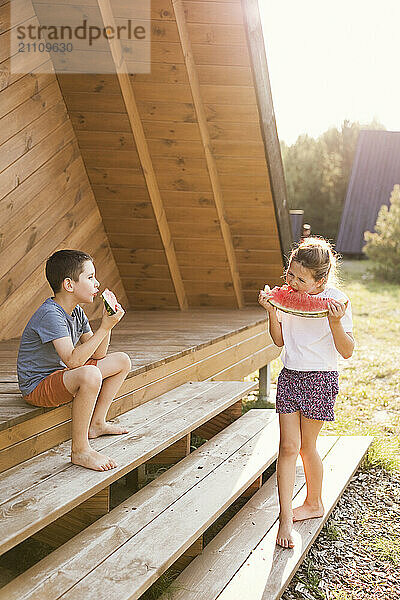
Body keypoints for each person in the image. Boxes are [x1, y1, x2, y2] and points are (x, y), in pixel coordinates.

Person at [258, 237, 354, 549]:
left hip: (320, 378)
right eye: (290, 275)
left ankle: (314, 502)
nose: (293, 282)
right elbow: (279, 340)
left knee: (307, 448)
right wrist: (272, 310)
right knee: (288, 447)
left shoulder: (337, 300)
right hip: (290, 377)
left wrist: (336, 322)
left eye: (301, 279)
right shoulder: (285, 296)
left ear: (321, 280)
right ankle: (285, 518)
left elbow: (347, 351)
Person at [17, 250, 132, 472]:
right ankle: (80, 450)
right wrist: (105, 326)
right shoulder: (51, 314)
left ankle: (97, 423)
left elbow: (98, 354)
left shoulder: (77, 312)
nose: (96, 283)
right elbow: (72, 360)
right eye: (90, 277)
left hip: (61, 376)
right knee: (90, 374)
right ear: (69, 285)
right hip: (38, 385)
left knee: (121, 361)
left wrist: (108, 324)